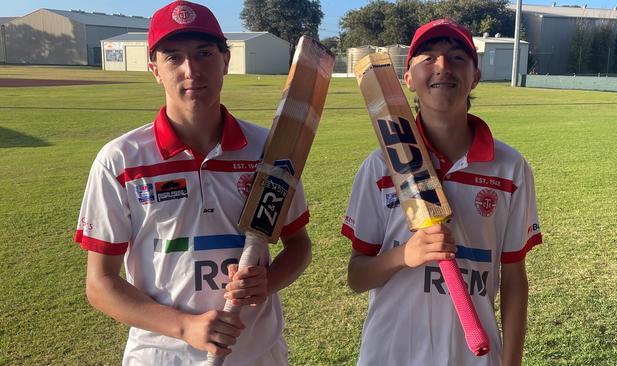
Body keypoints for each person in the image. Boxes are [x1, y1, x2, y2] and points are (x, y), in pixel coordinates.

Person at [74, 1, 312, 365]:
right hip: (161, 355)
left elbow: (298, 246)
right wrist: (186, 326)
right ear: (154, 68)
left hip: (258, 353)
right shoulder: (121, 160)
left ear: (225, 60)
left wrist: (269, 281)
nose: (191, 70)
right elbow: (100, 285)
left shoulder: (271, 149)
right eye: (174, 57)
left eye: (204, 53)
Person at [342, 19, 542, 366]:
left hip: (474, 356)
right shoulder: (379, 167)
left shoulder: (510, 169)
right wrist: (404, 255)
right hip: (389, 354)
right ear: (408, 78)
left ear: (475, 75)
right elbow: (357, 277)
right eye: (428, 58)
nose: (442, 67)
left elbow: (513, 278)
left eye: (457, 57)